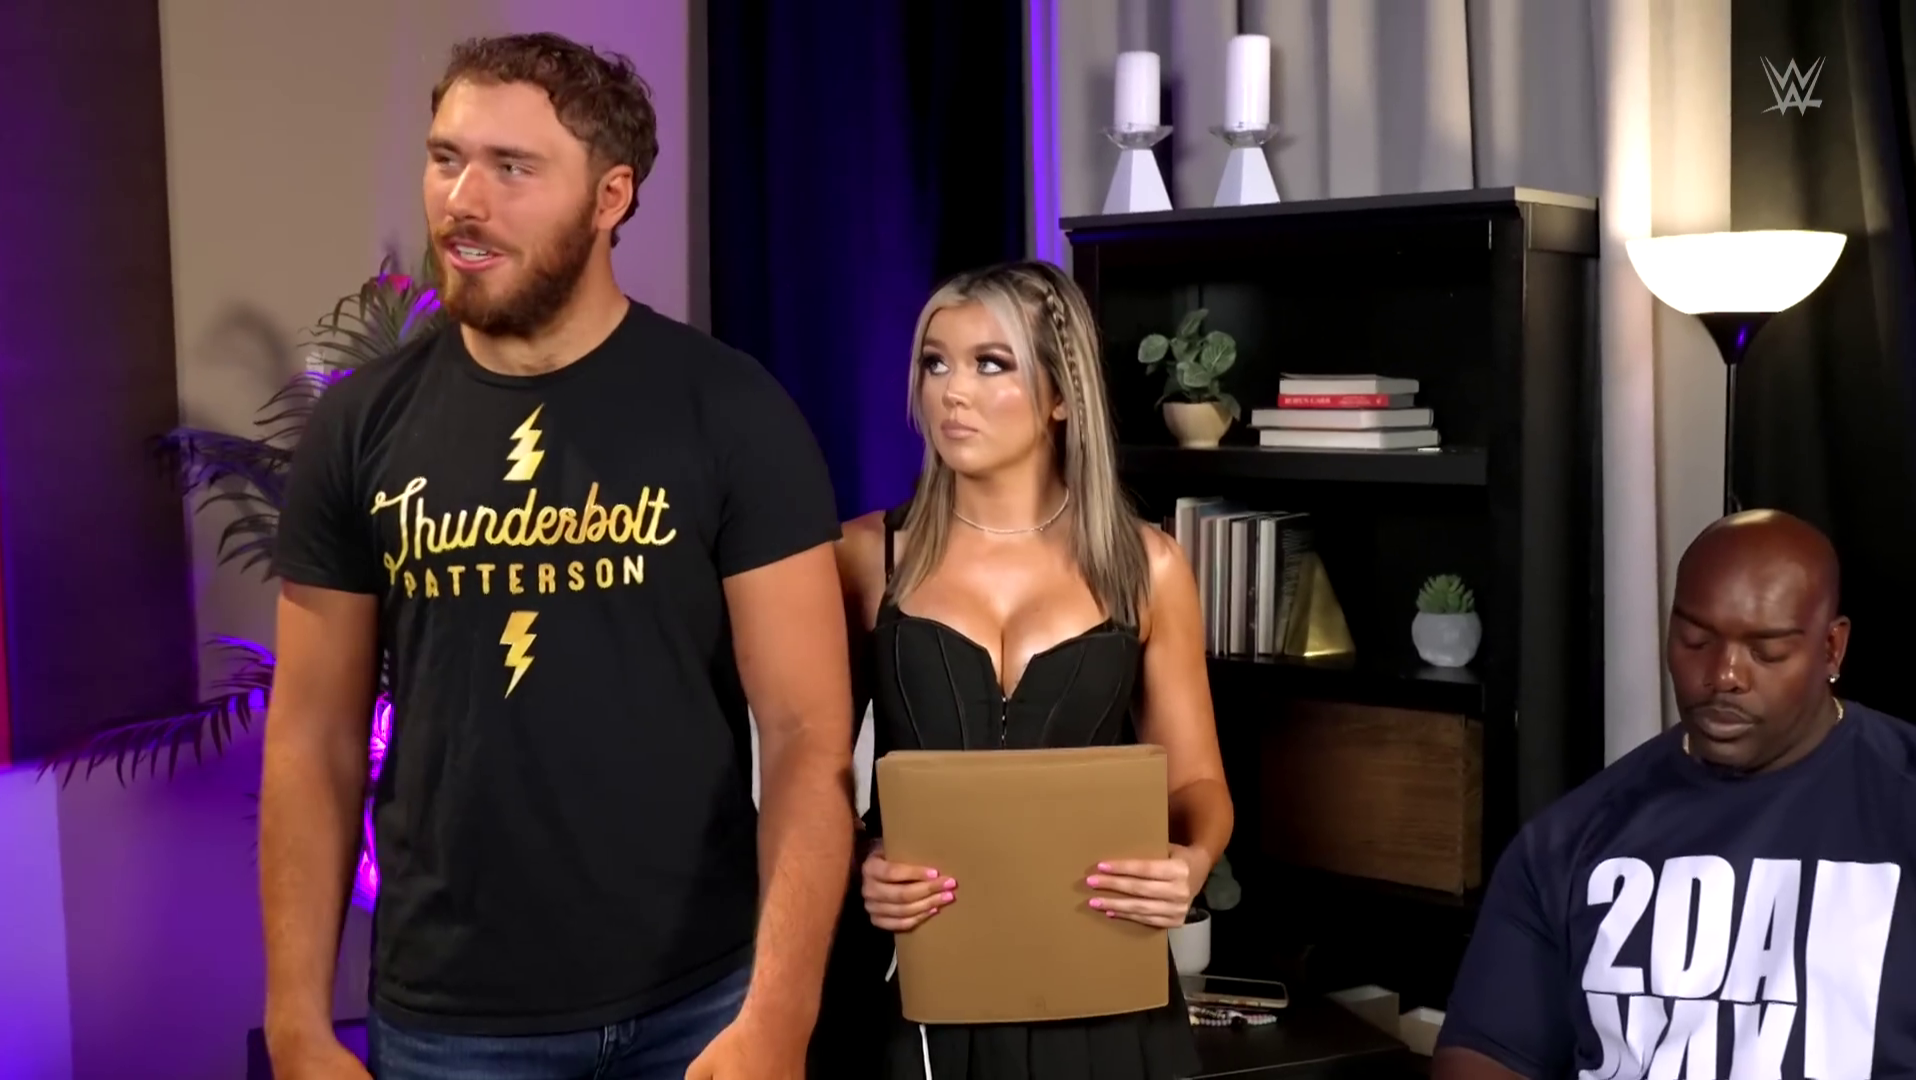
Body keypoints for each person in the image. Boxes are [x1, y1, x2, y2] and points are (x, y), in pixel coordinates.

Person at [259, 32, 855, 1080]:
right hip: (449, 1025)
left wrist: (781, 1013)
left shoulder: (731, 412)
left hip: (700, 1007)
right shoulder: (358, 431)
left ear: (610, 196)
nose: (463, 201)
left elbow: (808, 738)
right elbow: (312, 738)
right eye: (446, 159)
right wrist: (298, 1021)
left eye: (512, 167)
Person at [827, 260, 1234, 1078]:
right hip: (922, 989)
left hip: (1104, 984)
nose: (952, 391)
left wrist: (1188, 865)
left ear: (1060, 396)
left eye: (991, 363)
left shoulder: (1148, 568)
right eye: (935, 362)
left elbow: (1197, 784)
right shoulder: (866, 556)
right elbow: (811, 774)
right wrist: (863, 859)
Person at [1433, 509, 1916, 1079]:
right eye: (1696, 640)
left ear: (1832, 649)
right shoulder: (1571, 840)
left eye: (1765, 651)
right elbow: (1484, 1056)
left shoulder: (1904, 801)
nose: (1724, 675)